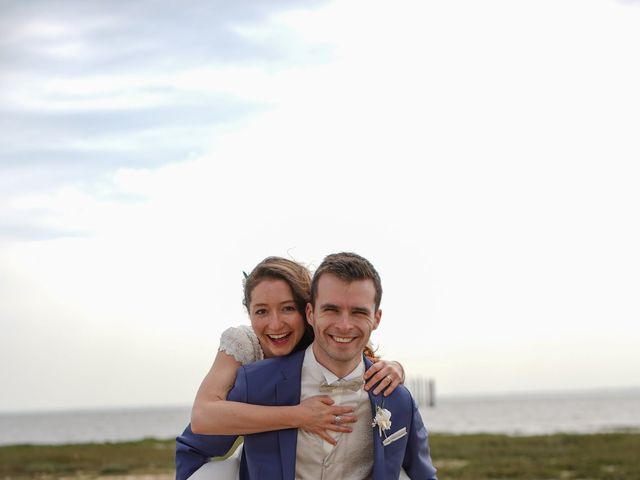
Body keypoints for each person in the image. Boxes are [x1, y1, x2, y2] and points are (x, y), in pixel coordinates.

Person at [177, 252, 437, 480]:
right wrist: (298, 416)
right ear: (313, 313)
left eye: (288, 308)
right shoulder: (251, 376)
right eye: (261, 311)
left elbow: (422, 473)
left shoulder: (394, 396)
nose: (276, 325)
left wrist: (397, 368)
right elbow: (200, 430)